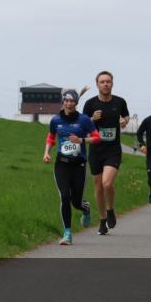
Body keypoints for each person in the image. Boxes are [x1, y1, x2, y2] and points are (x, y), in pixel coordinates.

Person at [43, 89, 99, 245]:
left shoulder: (84, 120)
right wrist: (47, 152)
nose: (69, 104)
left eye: (72, 101)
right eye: (66, 101)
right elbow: (51, 137)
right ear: (63, 102)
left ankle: (85, 208)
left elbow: (96, 137)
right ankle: (67, 232)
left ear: (76, 103)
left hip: (79, 165)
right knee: (64, 196)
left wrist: (81, 140)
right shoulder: (55, 120)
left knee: (76, 202)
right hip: (61, 164)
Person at [83, 71, 130, 235]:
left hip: (113, 149)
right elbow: (82, 125)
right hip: (96, 149)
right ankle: (102, 220)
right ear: (97, 84)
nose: (105, 84)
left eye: (108, 81)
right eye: (102, 82)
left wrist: (124, 121)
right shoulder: (90, 104)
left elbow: (126, 117)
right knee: (98, 185)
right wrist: (92, 120)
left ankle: (110, 210)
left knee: (107, 183)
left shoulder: (119, 101)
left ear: (112, 83)